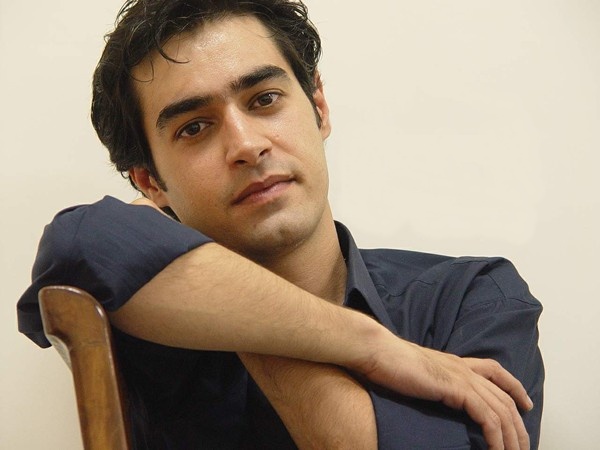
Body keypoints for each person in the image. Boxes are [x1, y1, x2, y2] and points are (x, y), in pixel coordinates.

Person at [17, 0, 544, 448]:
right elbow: (76, 244)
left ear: (319, 107)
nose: (246, 145)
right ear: (150, 182)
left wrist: (239, 319)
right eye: (195, 127)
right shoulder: (138, 318)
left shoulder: (471, 298)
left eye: (264, 99)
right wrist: (369, 344)